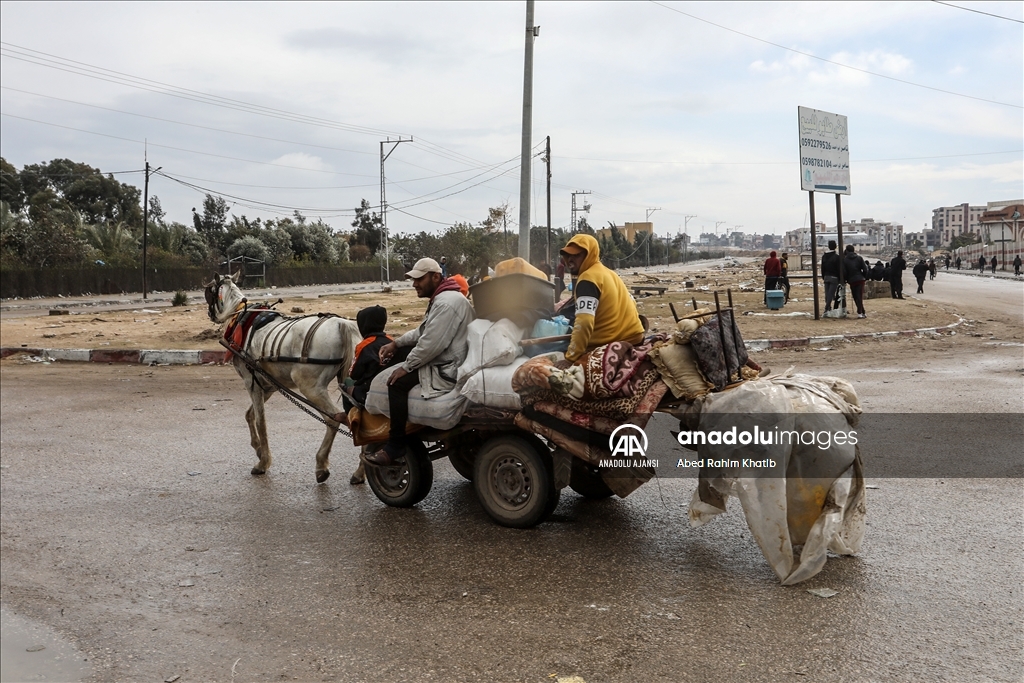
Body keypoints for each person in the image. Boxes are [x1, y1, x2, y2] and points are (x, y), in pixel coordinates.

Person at [367, 257, 473, 465]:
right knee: (400, 353)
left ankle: (395, 446)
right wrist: (396, 344)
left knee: (396, 383)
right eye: (413, 280)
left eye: (419, 279)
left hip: (449, 367)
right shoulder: (443, 298)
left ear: (436, 277)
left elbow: (431, 344)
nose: (414, 284)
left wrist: (406, 368)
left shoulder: (446, 303)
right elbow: (423, 332)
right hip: (447, 359)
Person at [559, 234, 644, 362]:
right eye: (568, 255)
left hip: (612, 343)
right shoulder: (609, 273)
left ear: (589, 255)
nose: (570, 260)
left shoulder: (588, 279)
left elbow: (584, 322)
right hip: (636, 337)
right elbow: (632, 303)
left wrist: (571, 358)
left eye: (577, 255)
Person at [343, 305, 392, 411]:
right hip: (390, 387)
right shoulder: (391, 341)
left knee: (346, 383)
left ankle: (351, 416)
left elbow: (354, 374)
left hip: (369, 389)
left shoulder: (363, 346)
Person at [843, 244, 868, 318]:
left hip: (852, 280)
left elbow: (844, 272)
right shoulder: (859, 258)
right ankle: (862, 312)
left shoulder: (845, 260)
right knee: (859, 296)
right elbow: (865, 269)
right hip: (860, 279)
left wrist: (847, 279)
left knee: (855, 296)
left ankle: (860, 312)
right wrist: (863, 276)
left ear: (847, 251)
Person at [821, 240, 841, 312]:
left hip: (826, 276)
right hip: (834, 277)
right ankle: (827, 307)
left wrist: (823, 276)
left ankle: (828, 307)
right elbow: (839, 268)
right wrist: (840, 278)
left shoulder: (824, 256)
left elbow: (822, 268)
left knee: (827, 293)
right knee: (831, 293)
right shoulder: (837, 257)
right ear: (835, 246)